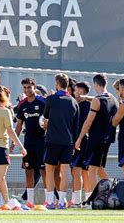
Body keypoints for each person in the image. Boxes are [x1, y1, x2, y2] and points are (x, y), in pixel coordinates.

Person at [75, 74, 118, 203]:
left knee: (91, 170)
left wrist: (79, 138)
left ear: (96, 84)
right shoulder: (113, 99)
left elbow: (88, 122)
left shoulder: (96, 100)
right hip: (107, 139)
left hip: (95, 139)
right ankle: (114, 189)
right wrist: (85, 97)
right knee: (99, 169)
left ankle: (94, 200)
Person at [42, 73, 79, 210]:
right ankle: (62, 202)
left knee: (50, 170)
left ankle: (50, 202)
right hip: (68, 141)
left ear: (57, 84)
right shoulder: (74, 101)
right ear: (67, 84)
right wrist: (75, 143)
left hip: (52, 140)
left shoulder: (51, 99)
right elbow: (76, 126)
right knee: (65, 172)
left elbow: (45, 116)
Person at [15, 78, 46, 208]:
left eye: (29, 87)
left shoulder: (43, 102)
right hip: (28, 143)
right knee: (28, 170)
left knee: (43, 170)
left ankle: (49, 200)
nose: (27, 90)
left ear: (34, 87)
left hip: (42, 142)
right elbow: (19, 125)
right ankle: (30, 201)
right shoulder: (22, 105)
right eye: (25, 88)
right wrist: (13, 142)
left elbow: (49, 120)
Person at [70, 81, 91, 208]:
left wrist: (78, 139)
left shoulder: (85, 105)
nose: (74, 92)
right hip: (84, 140)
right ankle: (86, 201)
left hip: (81, 141)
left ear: (81, 92)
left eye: (76, 90)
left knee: (78, 170)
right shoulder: (81, 104)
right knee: (83, 171)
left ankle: (78, 201)